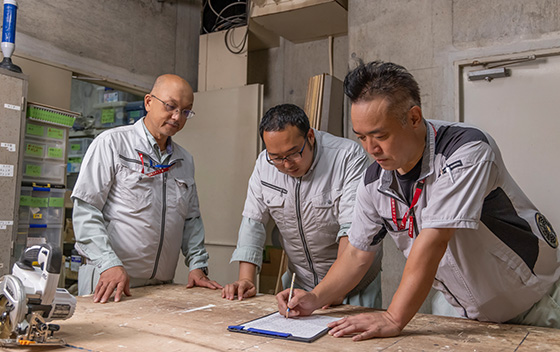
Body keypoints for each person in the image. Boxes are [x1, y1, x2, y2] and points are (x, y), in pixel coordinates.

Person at [277, 61, 560, 340]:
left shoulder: (466, 151)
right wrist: (315, 298)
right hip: (464, 313)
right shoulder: (374, 180)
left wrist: (392, 317)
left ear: (413, 118)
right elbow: (356, 253)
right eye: (362, 137)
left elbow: (434, 240)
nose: (371, 149)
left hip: (532, 304)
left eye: (380, 136)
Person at [72, 74, 222, 303]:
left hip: (162, 285)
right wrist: (108, 263)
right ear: (149, 102)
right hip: (110, 280)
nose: (176, 117)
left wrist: (197, 265)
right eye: (171, 106)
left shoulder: (184, 160)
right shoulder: (111, 144)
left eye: (185, 111)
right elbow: (86, 211)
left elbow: (191, 220)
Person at [222, 103, 383, 309]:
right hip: (299, 285)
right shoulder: (264, 164)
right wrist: (246, 279)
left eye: (293, 154)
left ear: (310, 137)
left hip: (353, 286)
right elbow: (253, 221)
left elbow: (352, 230)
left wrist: (332, 290)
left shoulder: (346, 156)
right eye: (277, 158)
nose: (287, 165)